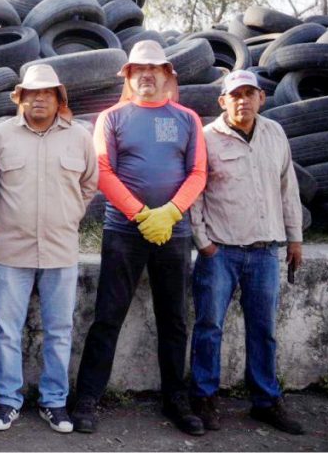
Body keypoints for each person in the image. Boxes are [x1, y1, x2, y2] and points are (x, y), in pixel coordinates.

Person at [71, 40, 208, 436]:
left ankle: (176, 399)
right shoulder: (112, 118)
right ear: (128, 76)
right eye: (138, 70)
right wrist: (141, 214)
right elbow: (102, 171)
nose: (146, 75)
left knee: (174, 319)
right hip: (123, 232)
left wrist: (171, 212)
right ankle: (87, 398)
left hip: (174, 233)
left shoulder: (187, 118)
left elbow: (198, 172)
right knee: (107, 317)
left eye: (154, 69)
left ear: (167, 75)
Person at [188, 70, 305, 435]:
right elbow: (195, 192)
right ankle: (203, 398)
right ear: (222, 101)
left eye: (249, 94)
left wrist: (295, 238)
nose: (243, 101)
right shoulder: (206, 137)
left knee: (264, 329)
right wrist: (202, 241)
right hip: (220, 252)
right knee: (209, 327)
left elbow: (288, 187)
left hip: (265, 250)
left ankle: (266, 401)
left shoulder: (275, 133)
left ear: (261, 98)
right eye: (235, 95)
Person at [0, 64, 98, 433]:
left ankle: (54, 402)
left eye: (47, 93)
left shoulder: (80, 137)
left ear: (59, 99)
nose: (39, 99)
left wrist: (69, 215)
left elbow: (89, 184)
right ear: (20, 98)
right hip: (10, 251)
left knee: (59, 330)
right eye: (32, 93)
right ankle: (7, 400)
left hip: (60, 250)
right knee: (7, 331)